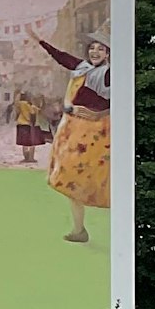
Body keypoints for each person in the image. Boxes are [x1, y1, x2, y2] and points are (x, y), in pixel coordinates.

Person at [30, 29, 112, 242]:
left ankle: (114, 232)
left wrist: (98, 113)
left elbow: (114, 101)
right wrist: (39, 40)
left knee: (94, 180)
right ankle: (79, 230)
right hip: (73, 131)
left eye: (100, 49)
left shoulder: (108, 75)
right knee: (70, 181)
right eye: (92, 48)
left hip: (96, 135)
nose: (95, 51)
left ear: (108, 54)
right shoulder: (81, 68)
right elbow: (61, 56)